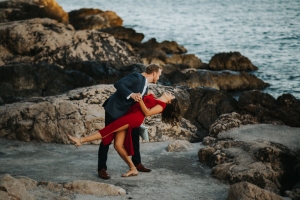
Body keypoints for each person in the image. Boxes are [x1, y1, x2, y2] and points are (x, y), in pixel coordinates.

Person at [68, 91, 181, 177]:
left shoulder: (162, 106)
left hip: (134, 118)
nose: (170, 93)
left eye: (171, 95)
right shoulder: (155, 98)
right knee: (117, 145)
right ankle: (133, 168)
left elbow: (147, 112)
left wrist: (140, 100)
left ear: (170, 101)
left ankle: (80, 140)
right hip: (129, 115)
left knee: (109, 130)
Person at [99, 64, 162, 179]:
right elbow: (118, 84)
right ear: (154, 73)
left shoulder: (145, 86)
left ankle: (137, 163)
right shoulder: (137, 77)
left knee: (135, 133)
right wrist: (131, 94)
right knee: (107, 138)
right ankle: (101, 168)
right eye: (159, 75)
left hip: (126, 113)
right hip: (114, 109)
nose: (159, 77)